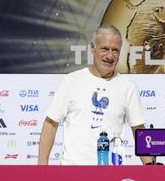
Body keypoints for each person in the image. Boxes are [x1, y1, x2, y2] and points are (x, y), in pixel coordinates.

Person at [38, 25, 152, 165]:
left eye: (115, 50)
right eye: (104, 49)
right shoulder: (71, 81)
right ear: (93, 48)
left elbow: (139, 131)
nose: (110, 56)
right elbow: (50, 123)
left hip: (111, 175)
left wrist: (150, 169)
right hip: (72, 174)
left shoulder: (128, 87)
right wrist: (41, 170)